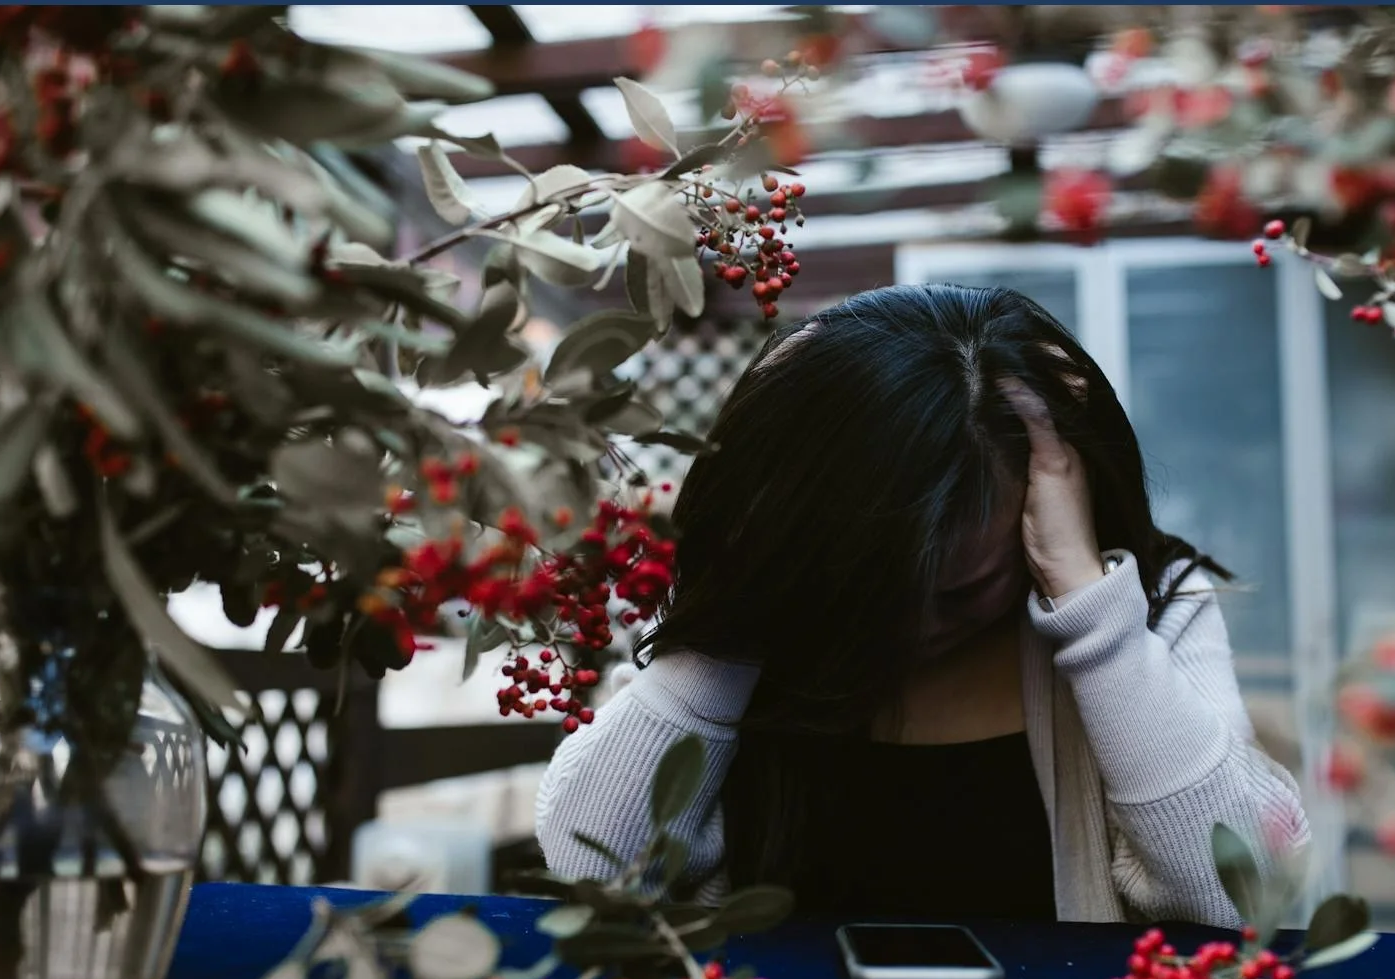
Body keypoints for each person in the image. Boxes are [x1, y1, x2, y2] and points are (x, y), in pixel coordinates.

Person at [536, 284, 1309, 925]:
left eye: (959, 593)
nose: (906, 630)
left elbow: (1235, 898)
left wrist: (1089, 607)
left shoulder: (1143, 607)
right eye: (866, 589)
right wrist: (747, 593)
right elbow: (594, 865)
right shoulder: (747, 605)